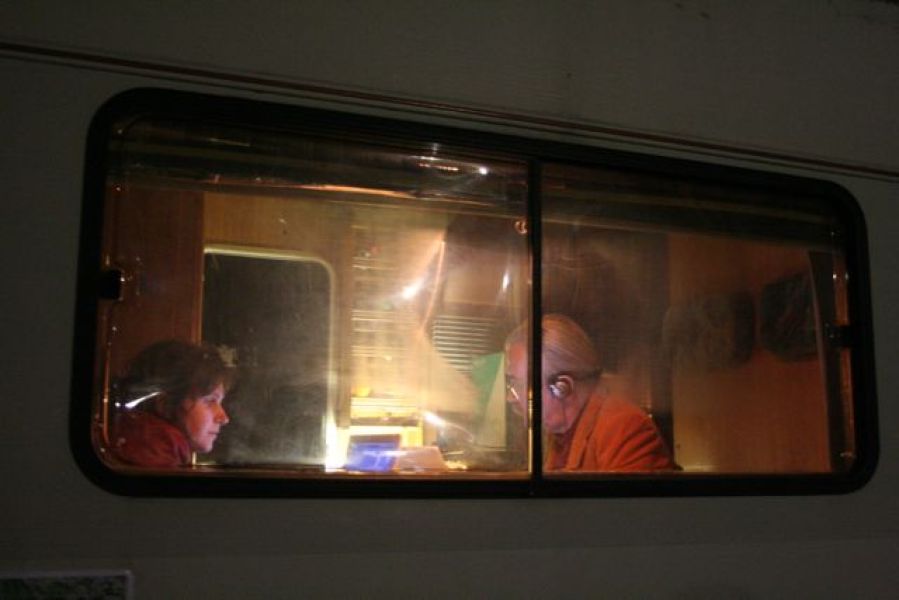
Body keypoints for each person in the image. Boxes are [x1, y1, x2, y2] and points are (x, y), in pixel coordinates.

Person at [505, 314, 676, 472]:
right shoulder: (557, 437)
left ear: (562, 387)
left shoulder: (624, 430)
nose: (510, 397)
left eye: (519, 384)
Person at [110, 340, 233, 468]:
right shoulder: (157, 463)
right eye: (210, 401)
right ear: (166, 403)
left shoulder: (153, 449)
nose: (224, 418)